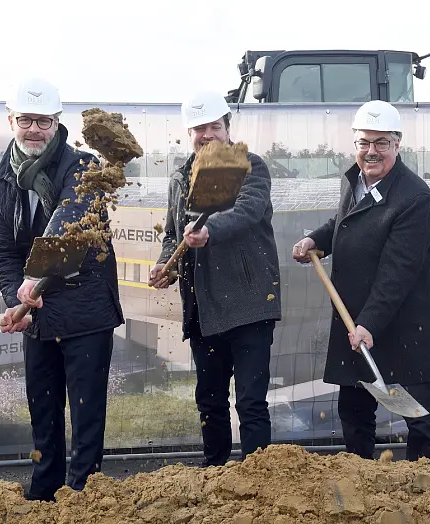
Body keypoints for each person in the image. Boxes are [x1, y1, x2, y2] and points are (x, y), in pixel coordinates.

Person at [0, 77, 124, 501]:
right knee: (42, 409)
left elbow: (70, 220)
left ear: (56, 123)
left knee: (86, 414)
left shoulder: (83, 167)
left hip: (85, 309)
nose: (34, 129)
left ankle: (83, 495)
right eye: (26, 120)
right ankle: (44, 492)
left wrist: (33, 279)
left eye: (43, 121)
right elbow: (3, 249)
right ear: (11, 120)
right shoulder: (2, 179)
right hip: (38, 314)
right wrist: (16, 297)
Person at [291, 100, 430, 461]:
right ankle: (360, 479)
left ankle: (427, 481)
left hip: (403, 324)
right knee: (355, 411)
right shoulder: (357, 180)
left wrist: (369, 323)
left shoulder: (414, 197)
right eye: (364, 142)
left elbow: (398, 272)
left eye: (381, 143)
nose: (371, 151)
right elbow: (345, 222)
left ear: (397, 144)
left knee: (419, 415)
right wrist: (317, 240)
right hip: (354, 319)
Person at [148, 91, 281, 466]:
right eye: (199, 128)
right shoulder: (180, 178)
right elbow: (173, 235)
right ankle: (215, 471)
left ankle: (258, 476)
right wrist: (166, 264)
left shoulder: (250, 166)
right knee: (209, 399)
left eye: (215, 126)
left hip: (249, 303)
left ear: (227, 128)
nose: (208, 134)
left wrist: (209, 231)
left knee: (251, 401)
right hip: (203, 310)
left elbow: (247, 212)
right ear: (188, 133)